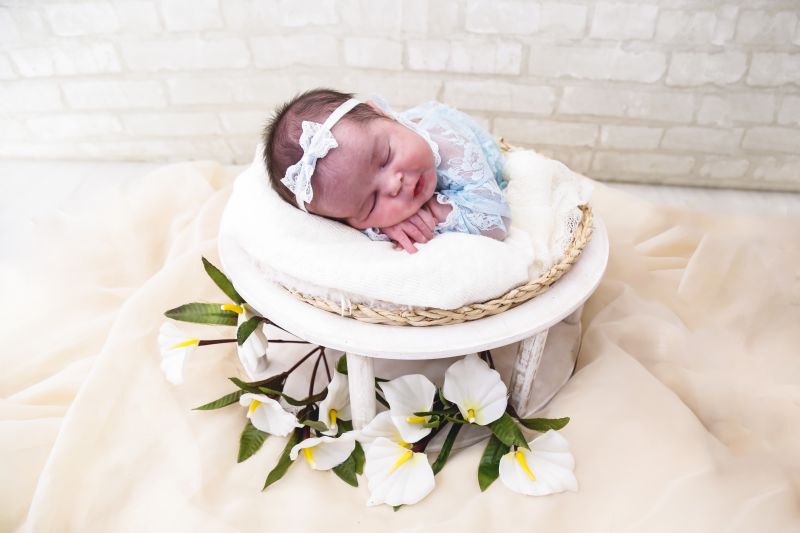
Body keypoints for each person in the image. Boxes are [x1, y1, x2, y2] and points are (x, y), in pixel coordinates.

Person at [263, 88, 511, 254]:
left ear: (381, 113)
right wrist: (384, 226)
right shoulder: (350, 206)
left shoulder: (449, 143)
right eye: (371, 204)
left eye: (385, 157)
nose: (393, 185)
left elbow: (495, 224)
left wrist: (431, 212)